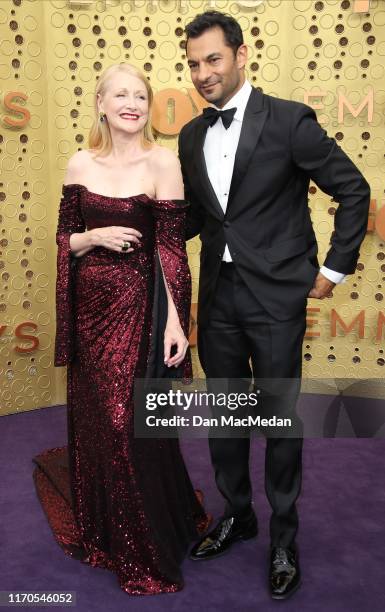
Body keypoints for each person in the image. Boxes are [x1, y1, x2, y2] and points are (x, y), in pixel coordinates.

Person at [178, 11, 370, 600]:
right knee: (227, 417)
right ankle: (239, 514)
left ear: (240, 55)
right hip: (218, 297)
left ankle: (284, 538)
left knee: (279, 422)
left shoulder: (288, 120)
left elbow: (353, 188)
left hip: (277, 297)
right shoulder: (189, 136)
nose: (204, 73)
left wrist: (332, 269)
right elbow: (198, 219)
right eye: (193, 65)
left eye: (213, 59)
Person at [32, 62, 210, 596]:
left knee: (125, 422)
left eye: (140, 95)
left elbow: (172, 249)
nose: (131, 103)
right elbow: (64, 241)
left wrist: (178, 320)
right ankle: (105, 532)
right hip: (90, 309)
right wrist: (95, 237)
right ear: (101, 104)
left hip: (140, 309)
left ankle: (145, 547)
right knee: (96, 419)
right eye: (121, 95)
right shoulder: (79, 162)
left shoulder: (164, 162)